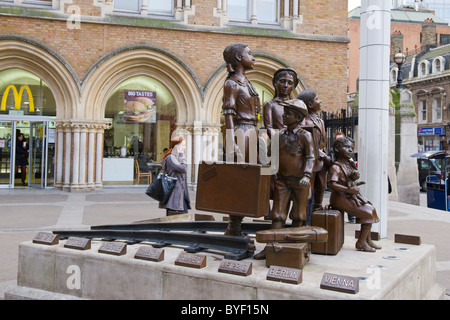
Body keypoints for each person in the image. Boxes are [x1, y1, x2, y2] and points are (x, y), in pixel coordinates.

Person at [254, 99, 314, 259]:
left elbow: (310, 158)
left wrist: (307, 175)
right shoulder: (279, 134)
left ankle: (295, 247)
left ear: (298, 117)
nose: (283, 115)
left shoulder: (305, 136)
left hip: (300, 181)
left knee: (299, 215)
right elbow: (270, 154)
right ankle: (272, 246)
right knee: (277, 215)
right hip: (282, 181)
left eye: (288, 113)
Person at [222, 42, 261, 236]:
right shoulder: (232, 83)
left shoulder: (247, 83)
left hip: (251, 131)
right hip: (241, 132)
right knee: (240, 180)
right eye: (249, 54)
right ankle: (233, 226)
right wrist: (232, 142)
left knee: (250, 180)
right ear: (238, 58)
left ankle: (237, 224)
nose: (253, 58)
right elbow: (228, 113)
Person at [328, 137, 381, 252]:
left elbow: (352, 182)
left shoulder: (349, 164)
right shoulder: (336, 167)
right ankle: (361, 242)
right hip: (339, 198)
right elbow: (332, 185)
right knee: (367, 213)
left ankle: (367, 240)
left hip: (348, 196)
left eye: (351, 148)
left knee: (370, 207)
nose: (350, 150)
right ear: (337, 149)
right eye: (346, 147)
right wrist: (349, 190)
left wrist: (360, 195)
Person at [298, 89, 328, 216]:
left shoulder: (320, 121)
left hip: (321, 162)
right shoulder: (304, 121)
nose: (320, 101)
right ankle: (306, 220)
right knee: (307, 193)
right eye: (317, 99)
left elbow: (323, 141)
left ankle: (317, 218)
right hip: (310, 162)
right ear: (309, 104)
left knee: (320, 189)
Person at [158, 137, 191, 215]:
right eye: (183, 145)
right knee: (172, 218)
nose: (184, 147)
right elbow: (184, 168)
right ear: (177, 146)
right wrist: (182, 155)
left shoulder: (176, 157)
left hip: (180, 193)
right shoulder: (170, 158)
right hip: (173, 194)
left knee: (182, 217)